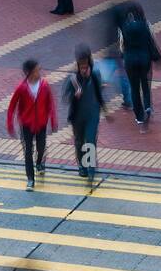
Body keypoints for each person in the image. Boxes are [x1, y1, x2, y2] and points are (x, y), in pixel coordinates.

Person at [7, 58, 57, 192]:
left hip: (41, 123)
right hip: (26, 125)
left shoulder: (45, 85)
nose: (38, 73)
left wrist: (52, 120)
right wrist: (10, 124)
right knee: (28, 152)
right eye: (36, 71)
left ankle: (40, 162)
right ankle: (30, 179)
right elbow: (12, 106)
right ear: (28, 73)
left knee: (41, 147)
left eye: (39, 70)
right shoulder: (21, 88)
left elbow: (50, 104)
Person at [63, 45, 109, 183]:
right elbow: (66, 97)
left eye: (85, 63)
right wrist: (74, 95)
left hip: (92, 115)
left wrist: (104, 108)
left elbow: (99, 92)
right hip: (77, 116)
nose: (83, 67)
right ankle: (82, 165)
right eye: (81, 64)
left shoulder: (95, 74)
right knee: (79, 141)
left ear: (89, 60)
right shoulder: (72, 78)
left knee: (90, 140)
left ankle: (91, 169)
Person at [119, 2, 161, 125]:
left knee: (134, 88)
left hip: (130, 61)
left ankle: (139, 116)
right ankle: (148, 107)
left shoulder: (124, 26)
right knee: (145, 85)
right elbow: (152, 41)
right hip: (145, 59)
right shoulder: (146, 24)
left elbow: (122, 46)